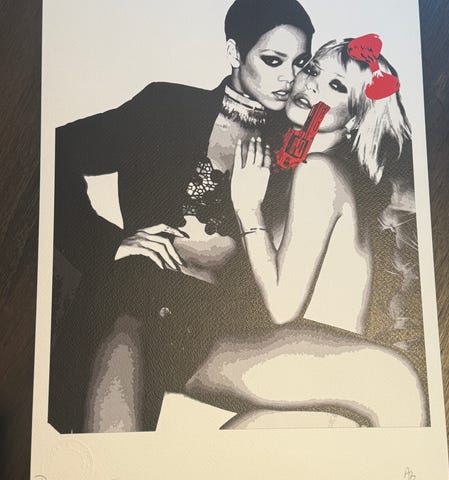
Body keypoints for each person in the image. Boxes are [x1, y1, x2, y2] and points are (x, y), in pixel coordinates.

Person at [48, 0, 315, 433]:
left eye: (300, 63)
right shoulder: (167, 108)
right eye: (273, 60)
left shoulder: (295, 145)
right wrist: (106, 243)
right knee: (115, 443)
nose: (289, 77)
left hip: (213, 327)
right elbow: (54, 151)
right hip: (133, 297)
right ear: (234, 53)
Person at [182, 38, 427, 429]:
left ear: (353, 119)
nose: (312, 85)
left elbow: (282, 307)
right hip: (308, 384)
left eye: (336, 85)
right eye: (312, 70)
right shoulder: (295, 172)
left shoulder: (319, 173)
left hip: (316, 373)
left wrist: (248, 208)